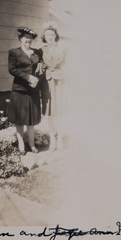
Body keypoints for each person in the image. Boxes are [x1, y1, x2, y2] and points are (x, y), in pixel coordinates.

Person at [7, 27, 44, 155]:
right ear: (20, 38)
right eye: (25, 37)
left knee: (31, 119)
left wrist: (37, 79)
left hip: (32, 90)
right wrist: (28, 77)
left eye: (30, 38)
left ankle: (32, 144)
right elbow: (12, 70)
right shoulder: (14, 52)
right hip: (20, 90)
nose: (28, 40)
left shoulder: (37, 53)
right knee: (19, 119)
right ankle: (21, 145)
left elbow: (41, 69)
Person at [40, 21, 66, 152]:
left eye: (52, 34)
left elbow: (66, 66)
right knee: (49, 113)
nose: (49, 37)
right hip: (47, 83)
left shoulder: (62, 49)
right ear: (44, 36)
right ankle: (52, 141)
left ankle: (60, 139)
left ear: (56, 35)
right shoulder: (41, 50)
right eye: (47, 34)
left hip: (59, 83)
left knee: (59, 112)